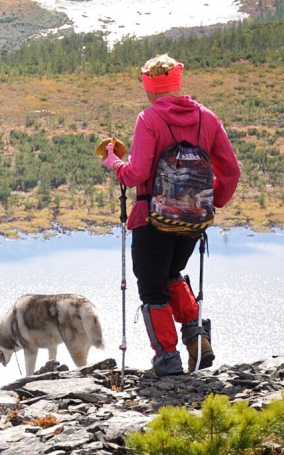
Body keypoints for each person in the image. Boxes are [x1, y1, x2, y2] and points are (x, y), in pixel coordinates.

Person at [101, 55, 240, 377]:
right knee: (172, 273)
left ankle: (167, 360)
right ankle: (197, 339)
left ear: (149, 86)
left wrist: (114, 164)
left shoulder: (149, 119)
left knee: (152, 289)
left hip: (153, 219)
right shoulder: (207, 118)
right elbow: (231, 171)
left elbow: (136, 174)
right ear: (177, 82)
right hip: (193, 220)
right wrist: (209, 202)